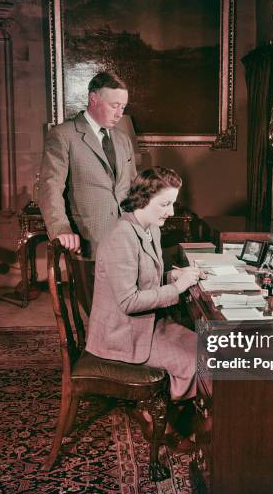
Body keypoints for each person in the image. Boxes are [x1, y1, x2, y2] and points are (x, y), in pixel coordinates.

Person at [86, 167, 200, 425]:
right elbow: (128, 301)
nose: (171, 212)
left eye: (173, 203)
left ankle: (173, 410)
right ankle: (156, 411)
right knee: (194, 363)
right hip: (123, 335)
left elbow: (144, 279)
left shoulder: (150, 229)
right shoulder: (120, 237)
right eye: (165, 204)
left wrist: (171, 277)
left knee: (208, 351)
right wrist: (178, 288)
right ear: (143, 200)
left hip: (149, 324)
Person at [38, 71, 137, 314]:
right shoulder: (63, 136)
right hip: (89, 242)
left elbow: (133, 189)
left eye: (123, 106)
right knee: (99, 317)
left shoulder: (123, 140)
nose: (119, 113)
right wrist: (61, 229)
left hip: (126, 242)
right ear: (93, 99)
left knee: (127, 314)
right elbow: (49, 187)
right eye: (114, 105)